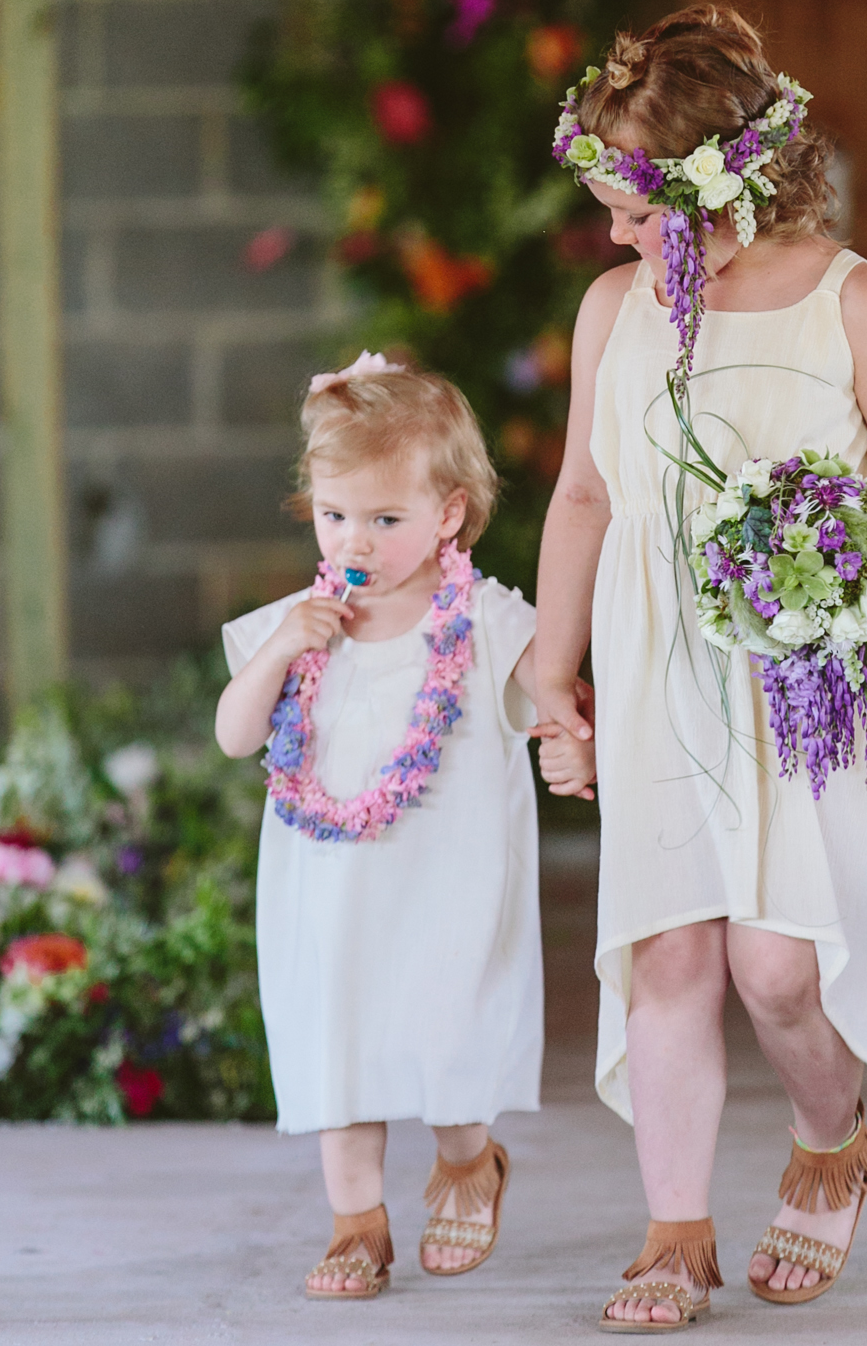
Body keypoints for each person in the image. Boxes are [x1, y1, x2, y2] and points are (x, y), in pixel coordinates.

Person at [534, 4, 867, 1330]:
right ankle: (673, 1231)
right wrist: (550, 675)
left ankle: (832, 1121)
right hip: (654, 675)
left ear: (716, 183)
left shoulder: (850, 300)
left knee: (777, 971)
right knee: (672, 956)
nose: (614, 236)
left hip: (802, 687)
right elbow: (583, 496)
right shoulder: (613, 312)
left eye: (633, 208)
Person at [215, 352, 591, 1300]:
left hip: (445, 888)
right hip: (329, 893)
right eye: (337, 515)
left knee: (446, 1039)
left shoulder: (485, 624)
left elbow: (551, 695)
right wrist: (276, 656)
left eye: (386, 520)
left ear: (449, 516)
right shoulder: (296, 626)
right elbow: (233, 736)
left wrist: (572, 727)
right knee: (335, 1045)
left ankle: (469, 1161)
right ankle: (356, 1224)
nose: (358, 540)